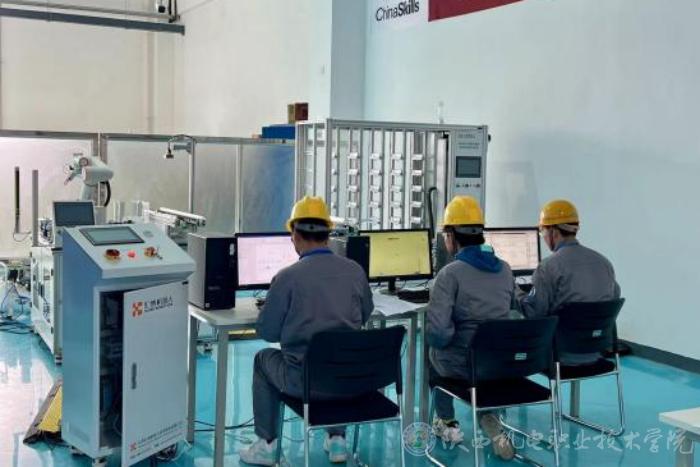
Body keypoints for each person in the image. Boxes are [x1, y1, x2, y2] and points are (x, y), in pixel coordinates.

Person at [239, 196, 374, 466]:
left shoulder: (287, 277)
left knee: (263, 359)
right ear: (327, 235)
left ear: (295, 235)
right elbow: (366, 313)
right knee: (337, 356)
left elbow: (268, 332)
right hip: (350, 380)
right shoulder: (355, 271)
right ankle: (337, 439)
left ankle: (267, 445)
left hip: (304, 383)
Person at [427, 195, 516, 460]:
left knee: (432, 354)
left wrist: (454, 335)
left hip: (462, 366)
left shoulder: (449, 275)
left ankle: (446, 422)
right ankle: (489, 417)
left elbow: (438, 334)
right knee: (483, 361)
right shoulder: (505, 270)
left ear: (451, 237)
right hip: (497, 365)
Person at [519, 199, 621, 364]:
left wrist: (516, 293)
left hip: (560, 355)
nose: (544, 237)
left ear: (554, 232)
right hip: (596, 350)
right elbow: (613, 297)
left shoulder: (548, 266)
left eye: (543, 232)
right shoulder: (604, 262)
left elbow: (535, 313)